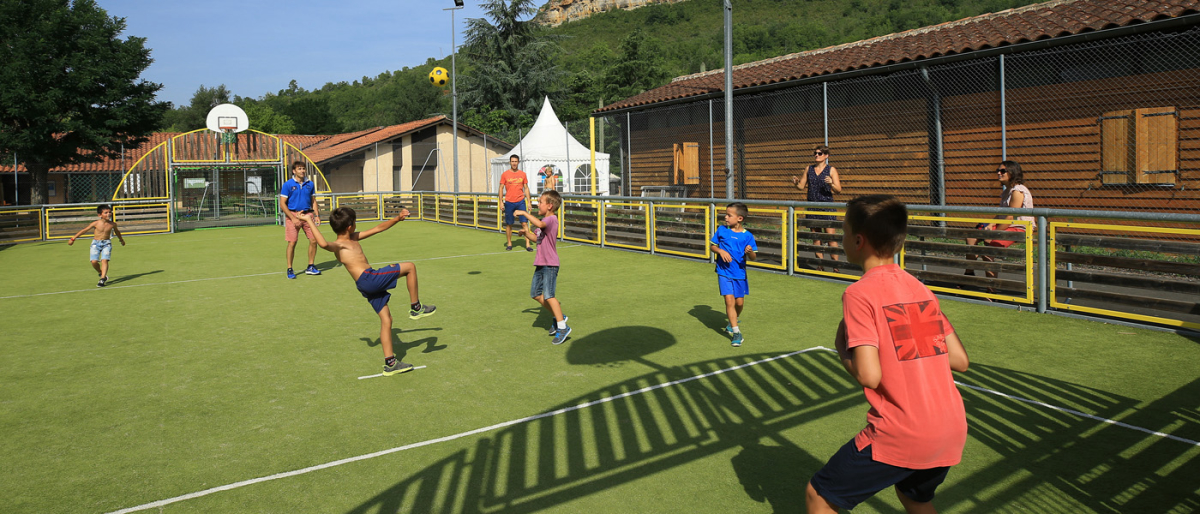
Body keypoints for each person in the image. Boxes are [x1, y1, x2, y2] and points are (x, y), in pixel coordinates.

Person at [807, 194, 970, 514]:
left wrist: (843, 351)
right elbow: (959, 361)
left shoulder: (859, 293)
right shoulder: (919, 288)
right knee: (914, 497)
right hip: (950, 428)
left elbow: (869, 375)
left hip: (905, 431)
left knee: (819, 495)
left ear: (858, 239)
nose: (841, 239)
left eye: (842, 232)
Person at [300, 207, 437, 376]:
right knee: (410, 267)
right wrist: (308, 221)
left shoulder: (353, 238)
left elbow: (378, 228)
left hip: (364, 284)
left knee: (386, 319)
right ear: (350, 225)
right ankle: (416, 308)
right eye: (355, 221)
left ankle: (390, 364)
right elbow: (323, 244)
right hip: (369, 278)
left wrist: (397, 218)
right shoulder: (340, 245)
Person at [514, 190, 572, 345]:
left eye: (540, 202)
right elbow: (536, 238)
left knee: (549, 295)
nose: (538, 204)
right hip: (540, 263)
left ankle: (562, 327)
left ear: (550, 206)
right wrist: (526, 233)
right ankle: (559, 315)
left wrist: (524, 213)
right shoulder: (543, 221)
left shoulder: (552, 219)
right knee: (535, 293)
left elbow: (539, 224)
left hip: (551, 264)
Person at [965, 160, 1033, 285]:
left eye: (1002, 171)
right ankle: (969, 274)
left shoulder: (1018, 191)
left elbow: (1010, 217)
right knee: (971, 237)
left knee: (988, 249)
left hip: (1019, 227)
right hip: (1005, 224)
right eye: (998, 171)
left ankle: (992, 290)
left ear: (1012, 172)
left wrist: (994, 234)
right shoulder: (1007, 190)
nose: (998, 173)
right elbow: (1001, 214)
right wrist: (991, 224)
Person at [710, 202, 758, 347]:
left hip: (740, 274)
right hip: (723, 272)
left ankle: (733, 321)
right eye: (726, 214)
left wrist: (749, 252)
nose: (725, 217)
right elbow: (712, 246)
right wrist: (720, 251)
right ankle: (736, 333)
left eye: (729, 215)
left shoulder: (748, 236)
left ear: (739, 218)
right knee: (729, 301)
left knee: (739, 303)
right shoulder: (722, 230)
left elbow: (753, 257)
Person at [791, 145, 842, 272]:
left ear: (826, 156)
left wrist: (831, 183)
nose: (816, 155)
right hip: (812, 206)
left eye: (819, 153)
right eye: (815, 153)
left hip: (827, 206)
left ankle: (836, 266)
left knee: (831, 237)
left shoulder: (831, 170)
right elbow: (801, 187)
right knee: (816, 237)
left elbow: (838, 190)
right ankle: (820, 265)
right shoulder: (809, 169)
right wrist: (796, 183)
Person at [280, 161, 321, 279]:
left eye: (303, 168)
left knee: (314, 241)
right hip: (293, 216)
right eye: (299, 169)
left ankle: (311, 266)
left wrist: (317, 215)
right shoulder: (288, 185)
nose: (302, 171)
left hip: (308, 216)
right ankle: (289, 269)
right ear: (294, 171)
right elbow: (283, 204)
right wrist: (293, 218)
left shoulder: (310, 184)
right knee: (292, 243)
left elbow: (313, 201)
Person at [68, 204, 126, 287]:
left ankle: (102, 279)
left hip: (107, 243)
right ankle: (100, 272)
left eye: (110, 212)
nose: (108, 214)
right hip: (96, 243)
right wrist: (73, 238)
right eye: (105, 213)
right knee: (94, 262)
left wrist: (121, 240)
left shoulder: (112, 224)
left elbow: (117, 232)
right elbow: (84, 230)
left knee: (104, 260)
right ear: (100, 215)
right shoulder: (96, 223)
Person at [499, 154, 534, 252]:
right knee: (509, 224)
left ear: (518, 162)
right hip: (509, 202)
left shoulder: (523, 174)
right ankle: (510, 243)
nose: (514, 163)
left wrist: (529, 202)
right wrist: (501, 202)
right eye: (512, 161)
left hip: (520, 202)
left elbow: (526, 188)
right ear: (510, 162)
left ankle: (527, 244)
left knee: (524, 223)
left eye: (516, 161)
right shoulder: (505, 174)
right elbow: (501, 188)